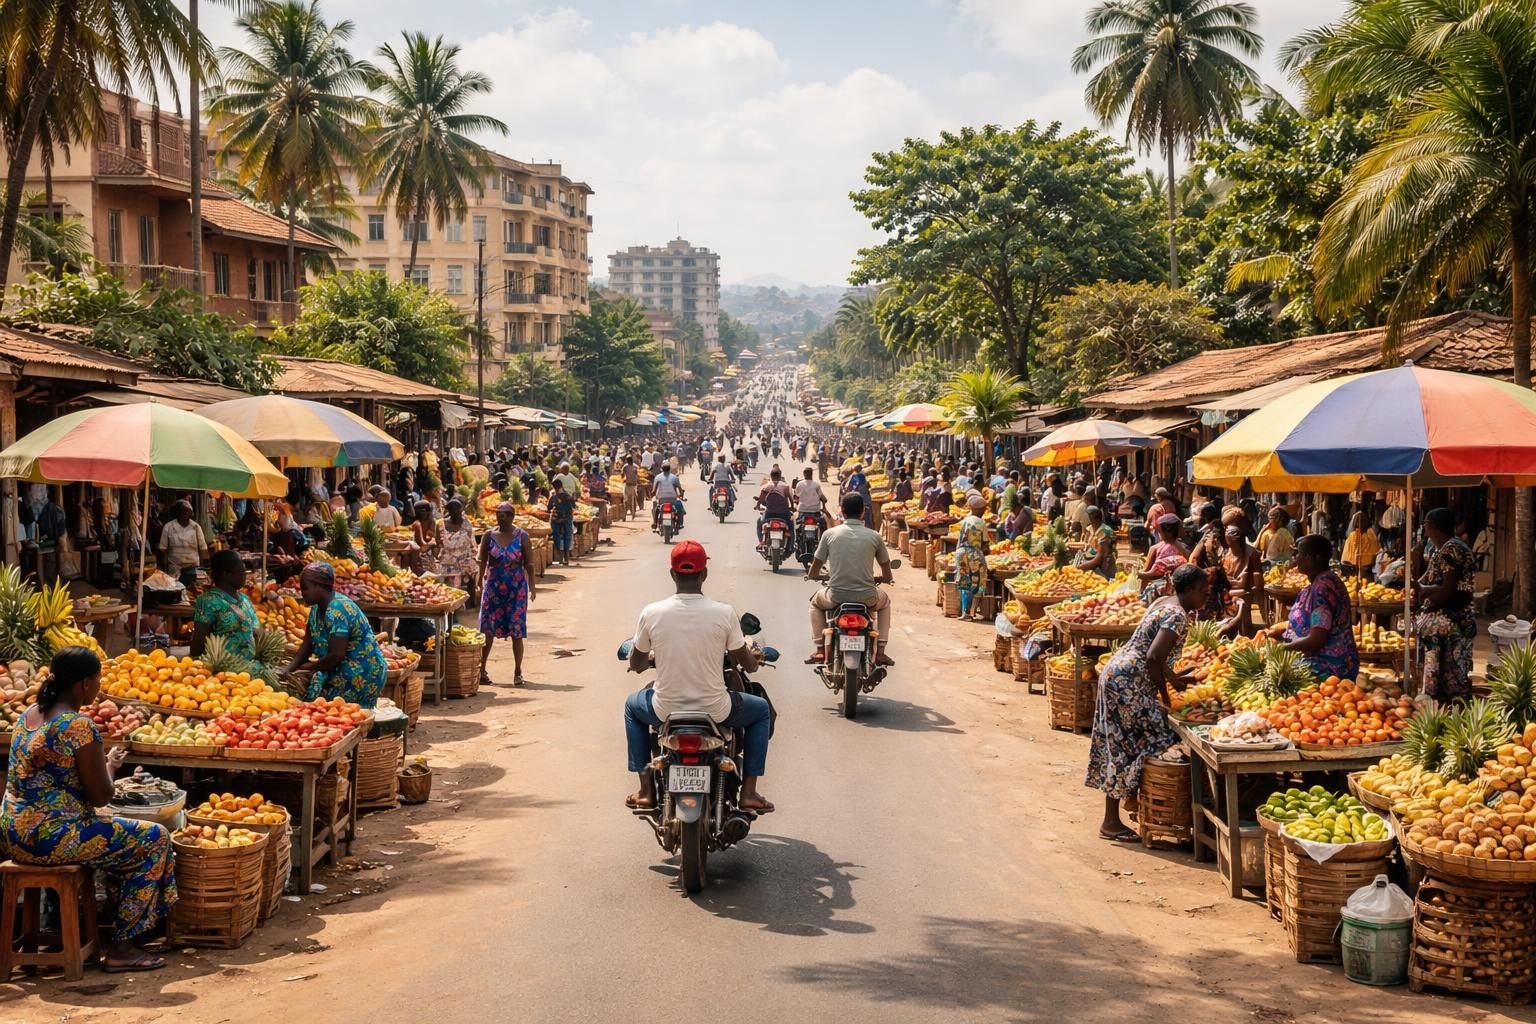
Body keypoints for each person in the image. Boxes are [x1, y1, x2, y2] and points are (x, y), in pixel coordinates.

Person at [2, 647, 177, 972]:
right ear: (84, 684)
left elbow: (56, 780)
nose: (98, 686)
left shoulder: (28, 716)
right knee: (156, 838)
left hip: (13, 834)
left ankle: (85, 927)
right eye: (97, 680)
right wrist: (109, 770)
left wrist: (107, 763)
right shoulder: (78, 727)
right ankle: (122, 947)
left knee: (118, 837)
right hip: (52, 838)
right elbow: (100, 797)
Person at [623, 542, 774, 811]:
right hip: (716, 710)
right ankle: (749, 792)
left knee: (632, 707)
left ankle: (646, 790)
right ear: (704, 574)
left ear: (672, 574)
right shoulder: (724, 613)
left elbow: (635, 662)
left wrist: (646, 659)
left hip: (664, 709)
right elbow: (746, 663)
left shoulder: (652, 613)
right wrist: (755, 659)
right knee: (761, 710)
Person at [1087, 565, 1209, 842]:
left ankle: (1131, 808)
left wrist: (1173, 676)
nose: (1206, 596)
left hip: (1118, 673)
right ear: (1188, 590)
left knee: (1119, 742)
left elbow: (1153, 653)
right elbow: (1154, 657)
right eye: (1203, 591)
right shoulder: (1177, 616)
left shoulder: (1162, 601)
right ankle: (1116, 819)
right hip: (1129, 682)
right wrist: (1167, 693)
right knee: (1151, 739)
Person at [805, 494, 895, 666]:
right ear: (862, 512)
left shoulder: (829, 534)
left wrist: (812, 575)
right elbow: (886, 565)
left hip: (835, 596)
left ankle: (819, 649)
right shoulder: (874, 536)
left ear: (842, 511)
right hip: (867, 597)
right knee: (885, 602)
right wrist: (886, 578)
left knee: (815, 603)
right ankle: (881, 650)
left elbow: (816, 565)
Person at [286, 562, 389, 708]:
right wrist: (288, 669)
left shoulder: (337, 609)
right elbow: (307, 646)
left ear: (319, 587)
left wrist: (310, 667)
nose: (302, 593)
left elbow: (337, 654)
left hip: (360, 673)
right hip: (338, 670)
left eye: (305, 588)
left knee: (347, 716)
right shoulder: (316, 610)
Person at [1268, 534, 1360, 681]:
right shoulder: (1319, 583)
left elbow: (1317, 639)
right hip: (1322, 661)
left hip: (1328, 667)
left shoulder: (1323, 589)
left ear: (1313, 558)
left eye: (1300, 554)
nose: (1296, 558)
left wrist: (1283, 648)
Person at [1414, 507, 1477, 703]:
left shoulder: (1451, 549)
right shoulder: (1442, 549)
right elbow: (1430, 581)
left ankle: (1448, 707)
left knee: (1452, 670)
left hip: (1452, 619)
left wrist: (1427, 597)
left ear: (1433, 527)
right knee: (1448, 669)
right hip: (1451, 618)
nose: (1424, 530)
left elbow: (1448, 589)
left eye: (1425, 525)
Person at [478, 501, 536, 686]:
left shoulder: (522, 537)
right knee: (487, 630)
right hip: (493, 588)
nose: (500, 517)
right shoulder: (488, 536)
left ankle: (518, 671)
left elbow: (529, 564)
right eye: (498, 514)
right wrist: (479, 581)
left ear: (511, 516)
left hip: (516, 589)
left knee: (516, 630)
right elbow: (482, 561)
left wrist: (532, 587)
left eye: (504, 514)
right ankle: (482, 670)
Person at [190, 550, 258, 661]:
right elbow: (199, 642)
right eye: (241, 572)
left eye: (245, 572)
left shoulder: (245, 599)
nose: (244, 576)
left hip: (249, 668)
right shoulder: (208, 601)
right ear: (225, 574)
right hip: (223, 670)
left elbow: (255, 630)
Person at [953, 492, 990, 621]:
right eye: (983, 509)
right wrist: (986, 552)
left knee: (964, 582)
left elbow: (959, 539)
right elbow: (985, 544)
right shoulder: (981, 522)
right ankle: (971, 610)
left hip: (961, 553)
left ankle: (965, 612)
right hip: (974, 555)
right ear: (979, 509)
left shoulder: (965, 520)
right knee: (976, 582)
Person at [1222, 520, 1264, 633]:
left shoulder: (1251, 553)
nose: (1225, 535)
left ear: (1234, 537)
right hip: (1228, 591)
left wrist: (1258, 592)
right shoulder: (1225, 554)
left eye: (1227, 533)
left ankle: (1245, 633)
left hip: (1245, 592)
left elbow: (1258, 576)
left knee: (1243, 602)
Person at [157, 500, 206, 589]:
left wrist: (203, 567)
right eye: (185, 511)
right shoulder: (169, 527)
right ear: (178, 512)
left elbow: (202, 547)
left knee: (191, 591)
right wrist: (164, 567)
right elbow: (164, 548)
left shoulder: (196, 527)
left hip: (192, 568)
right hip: (174, 567)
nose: (189, 513)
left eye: (190, 511)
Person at [1139, 514, 1188, 601]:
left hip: (1159, 592)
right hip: (1180, 592)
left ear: (1160, 531)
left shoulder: (1155, 548)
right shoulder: (1184, 549)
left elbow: (1146, 572)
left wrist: (1141, 592)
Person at [438, 498, 478, 602]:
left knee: (470, 570)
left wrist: (467, 557)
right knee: (447, 573)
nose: (458, 513)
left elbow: (471, 543)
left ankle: (470, 601)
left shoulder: (466, 524)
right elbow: (438, 541)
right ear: (449, 512)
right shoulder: (441, 524)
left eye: (459, 511)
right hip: (448, 559)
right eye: (454, 511)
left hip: (464, 558)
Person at [1077, 506, 1118, 580]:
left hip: (1103, 565)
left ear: (1092, 518)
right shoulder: (1090, 529)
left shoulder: (1105, 532)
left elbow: (1099, 558)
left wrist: (1081, 566)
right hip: (1090, 560)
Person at [756, 468, 794, 546]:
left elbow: (761, 498)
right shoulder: (785, 486)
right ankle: (791, 544)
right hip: (783, 513)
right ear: (780, 477)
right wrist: (792, 507)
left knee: (760, 522)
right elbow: (790, 498)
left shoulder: (766, 486)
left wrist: (757, 505)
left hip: (770, 513)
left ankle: (761, 542)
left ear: (771, 476)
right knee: (791, 524)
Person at [547, 478, 576, 567]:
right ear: (562, 485)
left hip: (556, 519)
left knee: (557, 536)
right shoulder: (567, 496)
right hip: (567, 518)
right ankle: (566, 558)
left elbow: (548, 507)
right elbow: (574, 505)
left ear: (553, 487)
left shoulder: (553, 497)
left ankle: (560, 558)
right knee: (567, 536)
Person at [1341, 512, 1379, 577]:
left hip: (1356, 564)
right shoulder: (1371, 533)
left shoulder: (1353, 535)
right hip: (1369, 563)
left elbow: (1349, 554)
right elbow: (1376, 548)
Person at [410, 500, 442, 576]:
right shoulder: (417, 525)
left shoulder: (431, 522)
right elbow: (422, 549)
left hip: (428, 557)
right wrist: (432, 542)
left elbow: (431, 537)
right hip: (419, 559)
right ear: (424, 514)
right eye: (430, 512)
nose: (431, 514)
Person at [652, 463, 687, 531]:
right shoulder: (674, 477)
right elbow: (680, 489)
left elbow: (654, 491)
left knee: (655, 508)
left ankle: (655, 523)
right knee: (679, 507)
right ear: (669, 469)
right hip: (672, 499)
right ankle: (680, 524)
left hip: (661, 499)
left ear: (662, 469)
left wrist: (651, 495)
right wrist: (681, 496)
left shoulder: (658, 477)